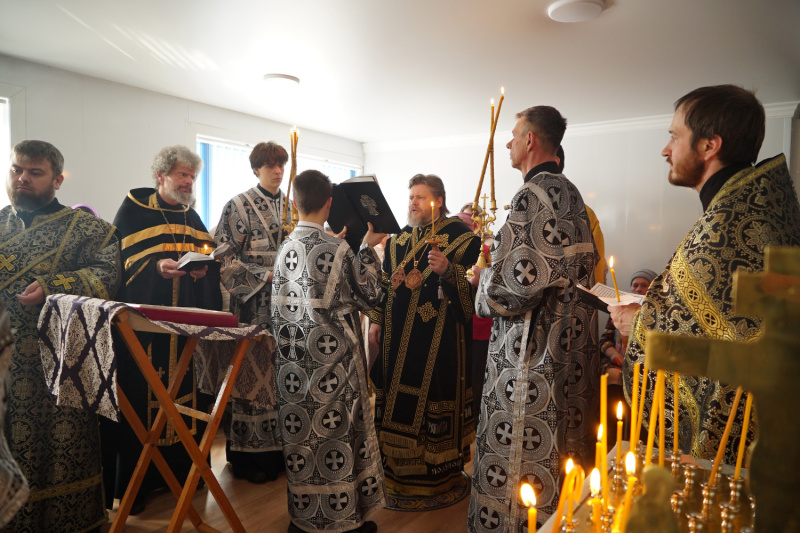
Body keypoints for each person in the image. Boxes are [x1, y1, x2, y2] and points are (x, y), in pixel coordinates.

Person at [610, 85, 800, 464]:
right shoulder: (753, 206)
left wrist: (637, 323)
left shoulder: (728, 226)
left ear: (709, 146)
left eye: (674, 136)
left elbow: (722, 336)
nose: (666, 150)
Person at [467, 106, 598, 531]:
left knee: (521, 452)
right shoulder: (572, 195)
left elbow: (515, 288)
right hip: (570, 346)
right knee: (563, 442)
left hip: (530, 354)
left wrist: (482, 284)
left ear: (530, 141)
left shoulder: (530, 196)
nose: (507, 143)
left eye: (513, 135)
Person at [0, 140, 121, 532]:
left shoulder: (89, 230)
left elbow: (108, 274)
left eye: (35, 173)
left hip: (59, 361)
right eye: (17, 170)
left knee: (61, 449)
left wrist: (55, 285)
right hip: (4, 361)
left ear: (57, 180)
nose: (22, 179)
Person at [101, 145, 221, 514]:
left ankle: (182, 474)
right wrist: (156, 267)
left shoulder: (190, 215)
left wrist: (201, 271)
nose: (188, 182)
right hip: (143, 331)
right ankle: (137, 485)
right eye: (182, 174)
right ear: (161, 175)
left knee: (184, 397)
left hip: (183, 329)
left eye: (192, 176)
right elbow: (118, 264)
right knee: (140, 398)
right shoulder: (134, 210)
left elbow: (207, 260)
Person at [271, 170, 386, 533]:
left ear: (294, 203)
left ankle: (305, 519)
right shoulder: (337, 248)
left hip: (292, 365)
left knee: (302, 439)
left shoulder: (284, 247)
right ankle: (342, 522)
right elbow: (371, 294)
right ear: (330, 203)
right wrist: (367, 248)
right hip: (333, 365)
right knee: (338, 437)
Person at [367, 175, 481, 507]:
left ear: (438, 201)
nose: (413, 203)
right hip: (396, 339)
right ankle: (396, 475)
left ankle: (438, 477)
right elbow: (385, 283)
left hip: (439, 344)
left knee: (431, 401)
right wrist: (376, 320)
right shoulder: (398, 240)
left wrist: (448, 271)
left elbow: (473, 301)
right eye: (411, 197)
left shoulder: (464, 239)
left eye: (420, 197)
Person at [214, 141, 288, 484]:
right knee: (251, 376)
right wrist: (263, 276)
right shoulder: (238, 205)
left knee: (281, 378)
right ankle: (247, 457)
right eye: (271, 165)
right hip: (253, 307)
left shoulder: (293, 207)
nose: (278, 171)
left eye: (281, 165)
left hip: (288, 307)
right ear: (256, 168)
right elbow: (224, 257)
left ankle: (280, 452)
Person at [600, 269, 656, 436]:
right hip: (619, 362)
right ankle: (612, 432)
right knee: (612, 376)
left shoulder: (655, 315)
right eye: (635, 285)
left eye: (644, 285)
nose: (638, 289)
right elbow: (605, 340)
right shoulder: (619, 310)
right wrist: (614, 355)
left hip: (645, 366)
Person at [456, 202, 493, 414]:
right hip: (461, 323)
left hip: (481, 324)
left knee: (478, 377)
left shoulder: (488, 250)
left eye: (468, 223)